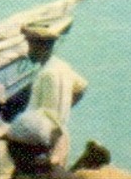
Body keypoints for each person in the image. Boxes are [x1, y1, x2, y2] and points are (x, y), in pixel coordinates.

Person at [23, 20, 87, 167]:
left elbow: (48, 118)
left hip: (47, 140)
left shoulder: (47, 74)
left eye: (31, 46)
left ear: (42, 47)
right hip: (62, 135)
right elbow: (82, 87)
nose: (28, 51)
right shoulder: (62, 66)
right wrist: (65, 107)